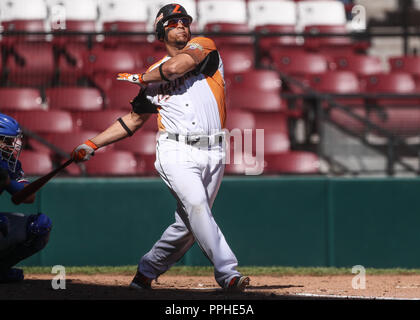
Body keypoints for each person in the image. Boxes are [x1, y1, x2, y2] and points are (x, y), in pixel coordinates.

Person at [71, 3, 250, 292]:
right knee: (196, 205)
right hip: (175, 150)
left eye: (184, 21)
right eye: (173, 21)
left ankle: (145, 272)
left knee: (188, 225)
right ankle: (227, 272)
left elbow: (177, 67)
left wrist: (140, 78)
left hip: (214, 151)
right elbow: (133, 120)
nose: (181, 25)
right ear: (161, 31)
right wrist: (92, 144)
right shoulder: (152, 76)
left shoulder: (203, 48)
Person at [0, 113, 52, 283]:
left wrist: (8, 181)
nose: (12, 146)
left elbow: (29, 196)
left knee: (39, 226)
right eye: (7, 141)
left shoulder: (8, 164)